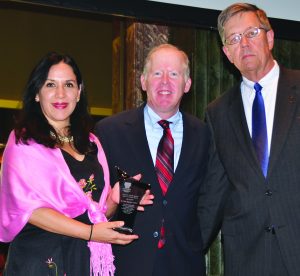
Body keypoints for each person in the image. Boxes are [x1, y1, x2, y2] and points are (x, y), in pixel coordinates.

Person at [0, 52, 152, 276]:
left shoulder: (92, 144)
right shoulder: (24, 142)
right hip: (41, 259)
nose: (60, 93)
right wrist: (90, 233)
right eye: (50, 84)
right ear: (36, 93)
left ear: (79, 92)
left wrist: (113, 199)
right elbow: (30, 210)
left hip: (82, 258)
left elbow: (96, 212)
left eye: (69, 84)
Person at [198, 3, 300, 276]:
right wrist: (186, 247)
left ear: (269, 38)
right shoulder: (217, 112)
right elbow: (214, 192)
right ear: (226, 53)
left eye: (251, 33)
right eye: (233, 39)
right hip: (248, 256)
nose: (243, 44)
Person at [95, 43, 210, 276]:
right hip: (126, 264)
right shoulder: (109, 131)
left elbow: (211, 199)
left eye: (174, 74)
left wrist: (195, 241)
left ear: (186, 84)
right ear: (143, 81)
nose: (165, 81)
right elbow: (94, 203)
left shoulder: (205, 134)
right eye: (157, 73)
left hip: (185, 264)